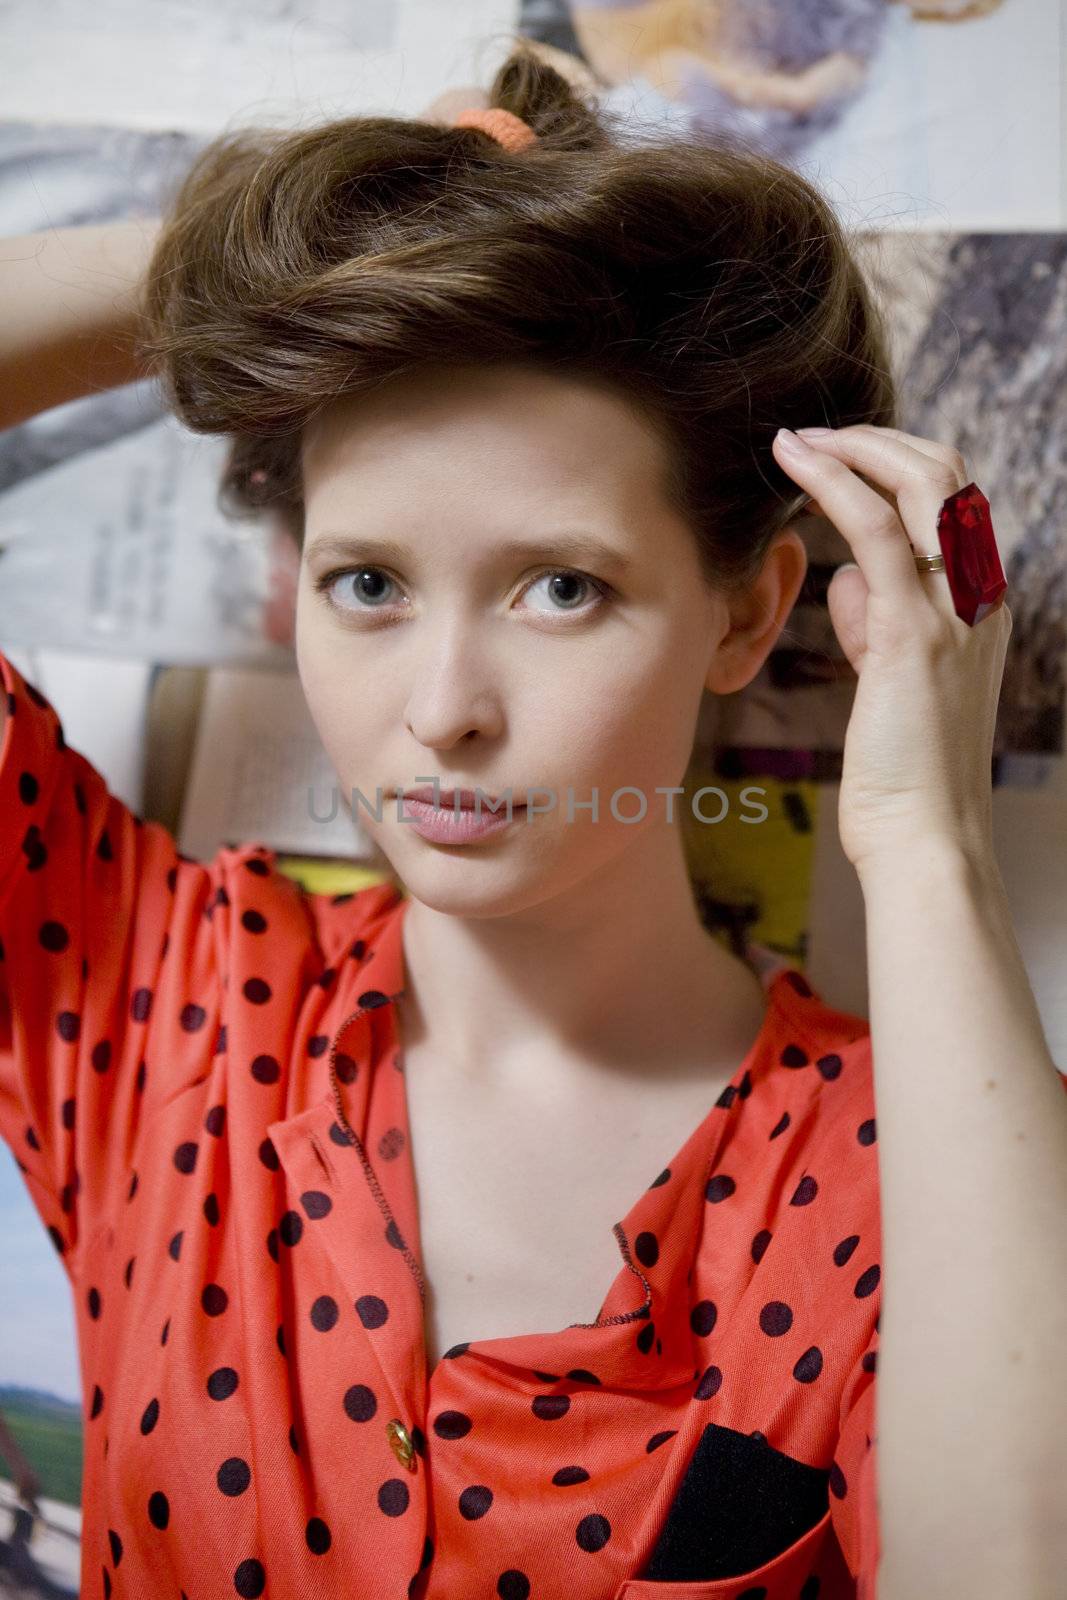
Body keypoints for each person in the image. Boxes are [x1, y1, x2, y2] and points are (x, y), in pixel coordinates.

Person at [2, 36, 1065, 1600]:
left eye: (560, 588)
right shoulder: (169, 1001)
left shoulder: (921, 1163)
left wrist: (927, 841)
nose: (444, 710)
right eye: (369, 584)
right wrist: (285, 251)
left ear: (747, 610)